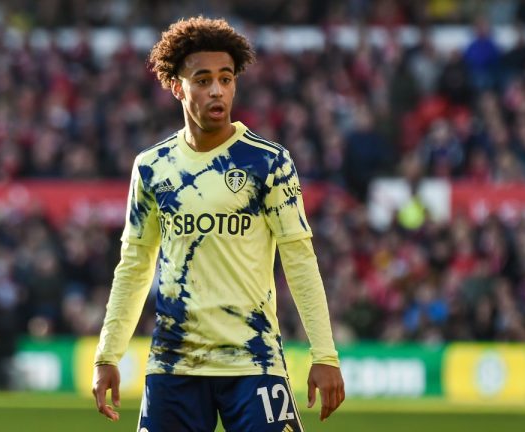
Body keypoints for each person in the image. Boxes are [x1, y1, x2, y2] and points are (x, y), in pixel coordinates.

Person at [92, 16, 344, 431]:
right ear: (177, 86)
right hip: (174, 365)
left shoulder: (268, 162)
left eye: (226, 79)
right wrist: (107, 355)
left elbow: (299, 260)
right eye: (203, 79)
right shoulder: (152, 167)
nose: (217, 90)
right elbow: (135, 266)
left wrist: (325, 354)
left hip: (254, 361)